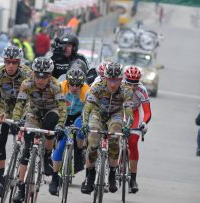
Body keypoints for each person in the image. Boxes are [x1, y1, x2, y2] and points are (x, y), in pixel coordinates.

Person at [11, 57, 67, 202]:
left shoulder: (56, 86)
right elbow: (20, 104)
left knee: (50, 123)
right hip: (34, 112)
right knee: (26, 150)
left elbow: (62, 109)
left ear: (50, 75)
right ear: (33, 73)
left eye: (45, 76)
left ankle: (47, 155)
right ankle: (21, 187)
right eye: (37, 76)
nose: (40, 80)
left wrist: (60, 125)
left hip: (51, 111)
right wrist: (16, 120)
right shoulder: (27, 84)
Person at [81, 61, 133, 194]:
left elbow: (128, 110)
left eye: (116, 80)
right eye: (110, 80)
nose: (113, 84)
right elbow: (87, 108)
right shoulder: (97, 87)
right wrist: (85, 123)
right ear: (106, 78)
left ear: (121, 79)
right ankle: (90, 175)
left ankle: (112, 174)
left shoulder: (126, 90)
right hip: (98, 113)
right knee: (92, 141)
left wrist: (127, 126)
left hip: (115, 115)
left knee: (115, 138)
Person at [0, 45, 32, 198]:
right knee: (0, 137)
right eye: (8, 62)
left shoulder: (28, 74)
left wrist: (25, 116)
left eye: (14, 62)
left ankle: (23, 179)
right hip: (7, 107)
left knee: (26, 139)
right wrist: (0, 112)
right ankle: (0, 179)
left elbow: (31, 98)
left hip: (24, 107)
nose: (10, 65)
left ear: (19, 62)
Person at [48, 65, 90, 196]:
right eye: (72, 84)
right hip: (64, 115)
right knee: (60, 146)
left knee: (81, 129)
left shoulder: (86, 91)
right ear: (68, 82)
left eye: (78, 85)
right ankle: (54, 178)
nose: (75, 88)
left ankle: (79, 152)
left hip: (79, 115)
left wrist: (85, 124)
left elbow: (88, 110)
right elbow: (54, 105)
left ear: (82, 85)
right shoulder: (61, 87)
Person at [123, 66, 151, 193]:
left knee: (133, 142)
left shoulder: (142, 90)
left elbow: (147, 111)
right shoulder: (120, 86)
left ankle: (133, 179)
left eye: (135, 84)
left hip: (135, 114)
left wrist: (144, 122)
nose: (132, 88)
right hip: (120, 112)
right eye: (129, 84)